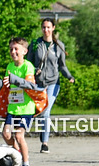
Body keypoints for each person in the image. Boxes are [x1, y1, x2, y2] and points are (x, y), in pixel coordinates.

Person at [0, 37, 43, 166]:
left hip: (26, 109)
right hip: (13, 108)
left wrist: (14, 79)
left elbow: (29, 85)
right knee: (6, 134)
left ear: (24, 51)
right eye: (11, 49)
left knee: (18, 135)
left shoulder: (28, 66)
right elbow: (5, 88)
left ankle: (26, 164)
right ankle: (16, 153)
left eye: (16, 49)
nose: (13, 51)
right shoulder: (10, 66)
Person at [27, 18, 75, 153]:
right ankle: (43, 134)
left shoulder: (59, 45)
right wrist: (34, 71)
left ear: (53, 28)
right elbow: (28, 63)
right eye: (44, 27)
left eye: (48, 27)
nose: (46, 30)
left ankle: (45, 142)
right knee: (40, 112)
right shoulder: (35, 44)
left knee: (46, 111)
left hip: (53, 82)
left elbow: (62, 66)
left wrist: (69, 76)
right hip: (38, 83)